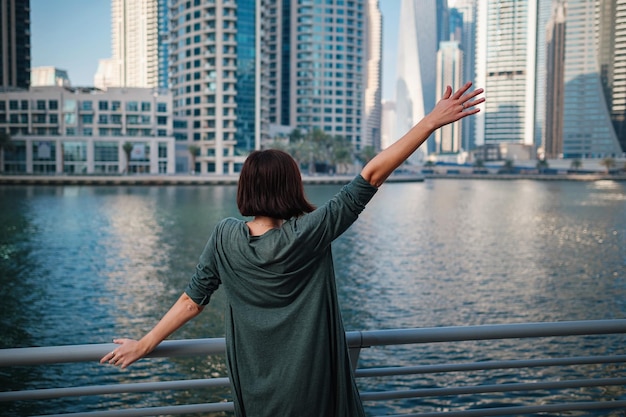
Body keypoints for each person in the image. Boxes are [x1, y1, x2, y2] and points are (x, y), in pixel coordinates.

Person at [100, 82, 485, 416]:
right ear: (291, 187)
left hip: (254, 391)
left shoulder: (224, 236)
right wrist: (430, 121)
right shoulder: (310, 233)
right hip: (312, 389)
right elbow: (371, 174)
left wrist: (144, 344)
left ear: (245, 189)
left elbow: (192, 301)